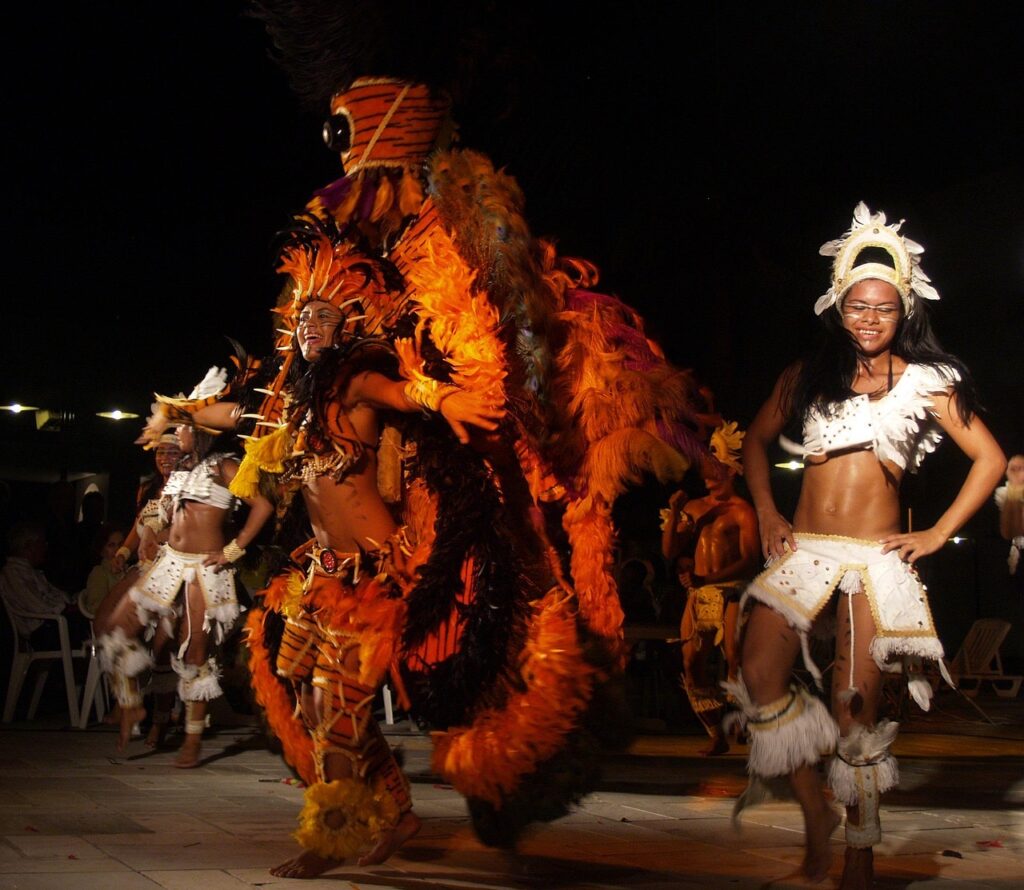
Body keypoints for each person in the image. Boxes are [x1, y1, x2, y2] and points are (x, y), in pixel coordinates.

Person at [731, 203, 1006, 887]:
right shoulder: (805, 376)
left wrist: (936, 532)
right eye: (858, 306)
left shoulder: (926, 381)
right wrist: (767, 511)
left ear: (903, 310)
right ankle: (814, 812)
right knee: (759, 674)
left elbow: (991, 459)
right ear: (839, 307)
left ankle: (859, 855)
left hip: (873, 560)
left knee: (853, 705)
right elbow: (754, 443)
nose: (870, 319)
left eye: (884, 308)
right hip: (804, 552)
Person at [97, 371, 274, 766]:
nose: (176, 436)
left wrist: (233, 550)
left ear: (200, 431)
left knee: (196, 652)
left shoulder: (226, 467)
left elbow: (263, 506)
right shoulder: (181, 471)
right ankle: (130, 703)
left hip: (205, 570)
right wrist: (149, 533)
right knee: (115, 629)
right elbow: (164, 516)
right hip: (168, 564)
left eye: (181, 429)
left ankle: (192, 739)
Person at [661, 421, 759, 755]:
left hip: (732, 590)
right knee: (691, 662)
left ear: (730, 470)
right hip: (700, 594)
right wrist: (675, 513)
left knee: (734, 659)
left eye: (714, 464)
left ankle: (745, 719)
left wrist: (708, 580)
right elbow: (670, 551)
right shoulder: (694, 507)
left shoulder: (743, 511)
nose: (706, 471)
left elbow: (750, 559)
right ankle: (716, 733)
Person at [0, 520, 88, 649]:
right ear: (29, 546)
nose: (46, 547)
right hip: (43, 629)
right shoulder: (12, 574)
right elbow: (37, 605)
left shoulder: (33, 573)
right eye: (42, 543)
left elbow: (63, 598)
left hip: (55, 622)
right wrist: (69, 608)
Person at [80, 522, 128, 618]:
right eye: (111, 545)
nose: (117, 549)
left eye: (121, 544)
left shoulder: (130, 569)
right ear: (102, 550)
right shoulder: (99, 573)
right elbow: (96, 609)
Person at [995, 453, 1024, 595]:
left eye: (1021, 468)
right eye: (1013, 468)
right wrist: (1015, 488)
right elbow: (1009, 532)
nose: (1016, 471)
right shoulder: (1004, 493)